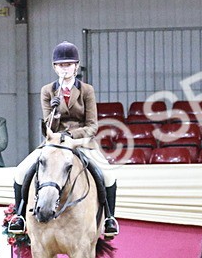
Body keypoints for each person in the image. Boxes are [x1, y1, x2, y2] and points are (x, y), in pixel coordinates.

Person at [6, 42, 119, 239]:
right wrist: (55, 112)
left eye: (68, 64)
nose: (64, 69)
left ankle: (109, 219)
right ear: (54, 67)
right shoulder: (48, 91)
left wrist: (72, 137)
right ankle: (19, 216)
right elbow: (47, 127)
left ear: (76, 66)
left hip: (80, 142)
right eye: (60, 65)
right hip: (54, 142)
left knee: (108, 175)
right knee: (21, 171)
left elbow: (92, 125)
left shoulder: (86, 90)